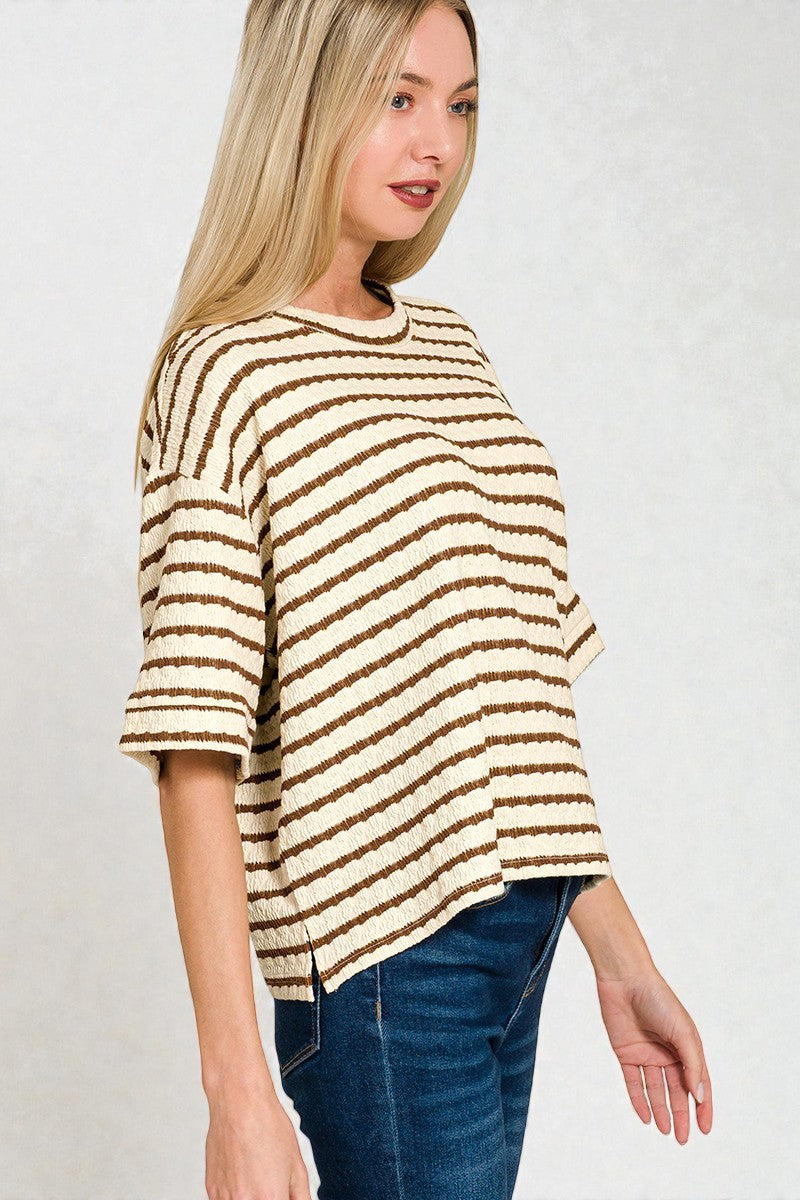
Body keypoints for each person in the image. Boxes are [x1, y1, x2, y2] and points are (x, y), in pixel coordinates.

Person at [118, 2, 713, 1197]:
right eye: (396, 97)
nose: (436, 143)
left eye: (460, 105)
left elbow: (515, 692)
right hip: (385, 961)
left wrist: (617, 954)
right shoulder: (225, 369)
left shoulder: (448, 348)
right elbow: (195, 745)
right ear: (304, 100)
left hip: (519, 940)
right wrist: (237, 1092)